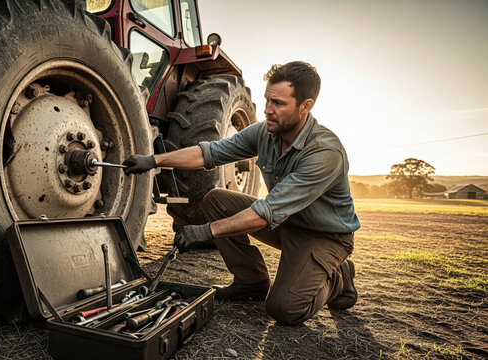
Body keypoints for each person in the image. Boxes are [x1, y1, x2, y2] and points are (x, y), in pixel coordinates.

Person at [122, 61, 360, 325]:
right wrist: (153, 161)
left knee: (284, 309)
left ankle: (338, 276)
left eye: (279, 104)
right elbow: (209, 153)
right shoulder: (266, 132)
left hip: (323, 237)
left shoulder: (324, 152)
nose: (268, 110)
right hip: (286, 223)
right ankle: (251, 282)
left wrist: (205, 231)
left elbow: (267, 212)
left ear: (305, 106)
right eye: (267, 100)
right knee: (215, 200)